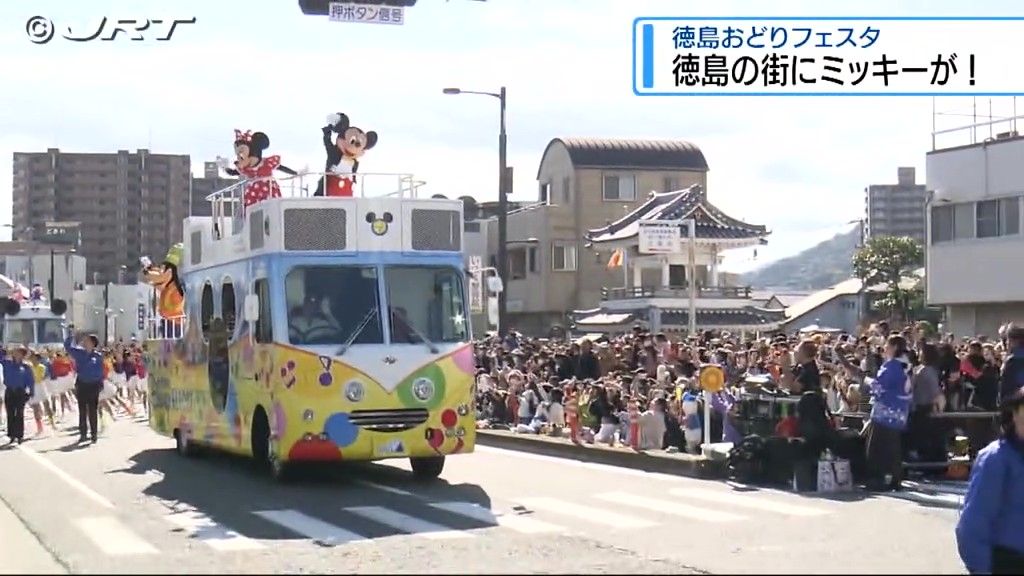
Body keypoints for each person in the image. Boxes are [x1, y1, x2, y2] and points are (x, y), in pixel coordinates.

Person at [955, 387, 1024, 574]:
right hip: (1008, 561)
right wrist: (981, 569)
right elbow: (973, 524)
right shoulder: (996, 458)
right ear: (1015, 414)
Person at [864, 334, 913, 491]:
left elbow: (879, 387)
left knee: (877, 448)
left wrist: (867, 381)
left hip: (885, 412)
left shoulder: (892, 366)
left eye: (887, 345)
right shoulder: (906, 365)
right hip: (899, 413)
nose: (884, 348)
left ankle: (877, 480)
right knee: (893, 448)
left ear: (894, 348)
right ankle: (894, 478)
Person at [64, 327, 105, 444]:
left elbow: (100, 371)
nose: (85, 342)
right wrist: (72, 335)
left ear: (93, 344)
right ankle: (83, 434)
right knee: (82, 410)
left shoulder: (98, 356)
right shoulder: (79, 353)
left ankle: (94, 434)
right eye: (84, 341)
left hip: (94, 385)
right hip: (82, 384)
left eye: (88, 341)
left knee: (93, 410)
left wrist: (100, 383)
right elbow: (67, 347)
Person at [1, 345, 36, 445]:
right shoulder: (7, 364)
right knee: (10, 414)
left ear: (22, 355)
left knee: (19, 414)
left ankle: (19, 435)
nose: (17, 354)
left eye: (20, 352)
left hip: (21, 392)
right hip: (10, 391)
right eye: (15, 352)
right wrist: (4, 349)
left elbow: (31, 381)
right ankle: (12, 435)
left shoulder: (26, 367)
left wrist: (31, 392)